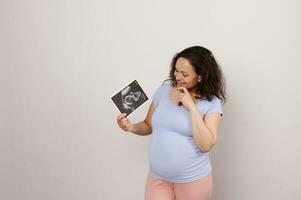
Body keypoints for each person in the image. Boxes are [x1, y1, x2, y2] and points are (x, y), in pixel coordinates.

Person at [117, 46, 226, 200]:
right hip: (157, 179)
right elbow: (148, 125)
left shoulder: (211, 103)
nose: (178, 77)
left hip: (192, 182)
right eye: (176, 71)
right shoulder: (164, 90)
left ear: (200, 76)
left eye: (184, 74)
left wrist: (191, 107)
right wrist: (131, 127)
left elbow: (206, 145)